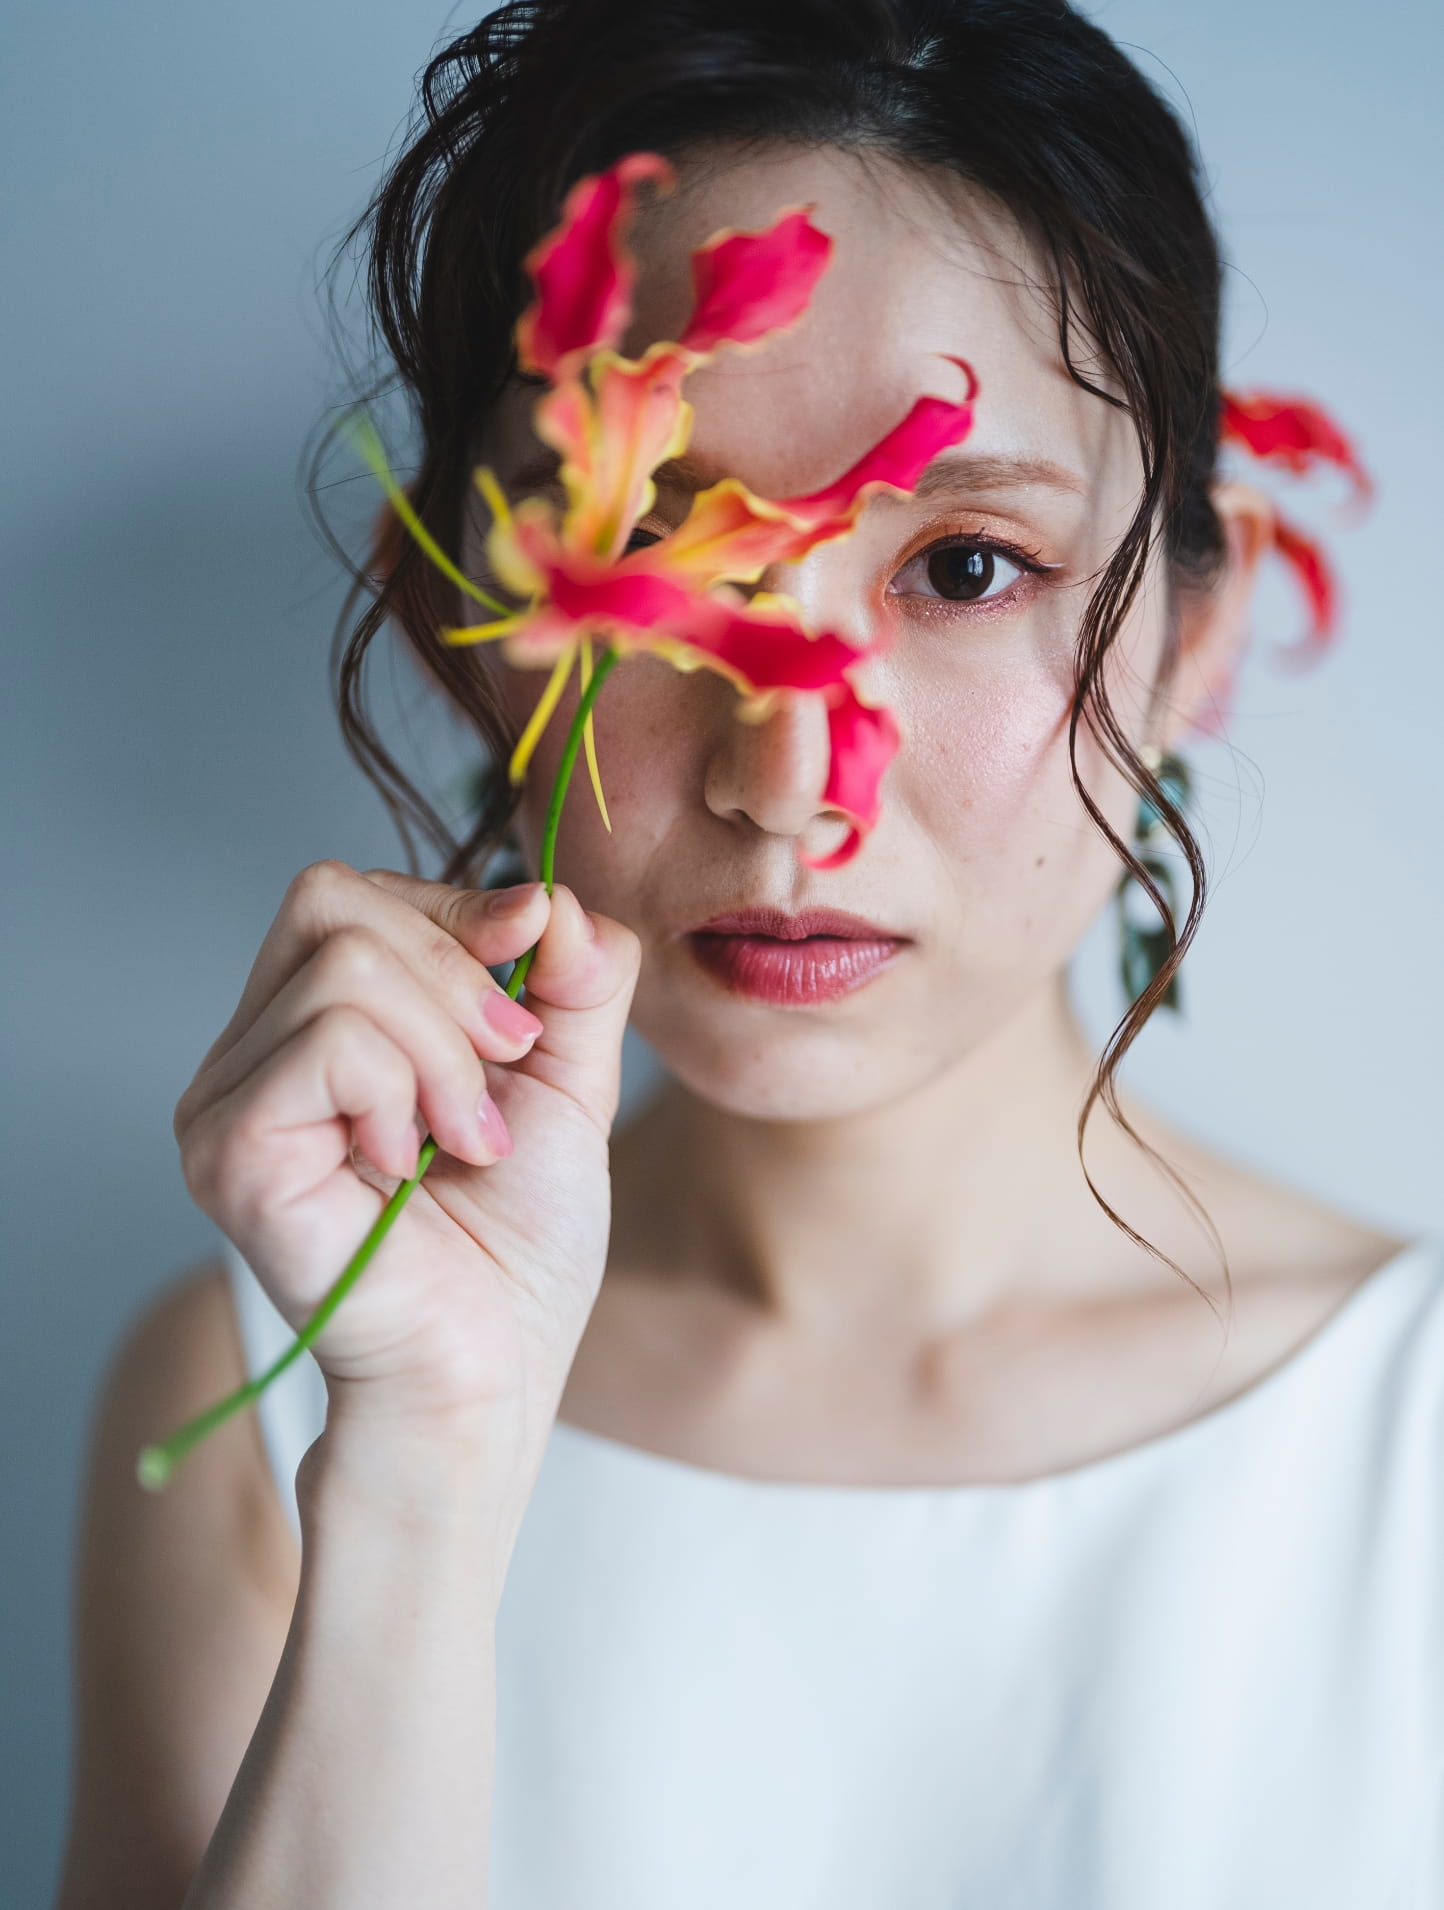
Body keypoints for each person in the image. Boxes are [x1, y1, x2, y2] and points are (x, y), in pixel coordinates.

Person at [55, 2, 1443, 1905]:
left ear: (1191, 631)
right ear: (466, 623)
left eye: (966, 568)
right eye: (653, 555)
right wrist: (419, 1489)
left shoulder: (1409, 1449)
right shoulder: (269, 1396)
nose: (788, 782)